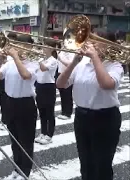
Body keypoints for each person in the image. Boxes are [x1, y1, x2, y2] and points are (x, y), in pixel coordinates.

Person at [56, 33, 124, 180]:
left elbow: (106, 84)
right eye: (91, 41)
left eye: (97, 42)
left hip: (106, 118)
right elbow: (60, 84)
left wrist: (94, 57)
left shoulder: (116, 66)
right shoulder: (81, 64)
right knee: (85, 163)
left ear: (110, 46)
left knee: (102, 165)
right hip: (82, 117)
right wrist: (74, 62)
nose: (91, 44)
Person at [0, 35, 39, 179]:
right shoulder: (10, 62)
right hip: (10, 103)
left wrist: (15, 57)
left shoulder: (34, 62)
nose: (17, 49)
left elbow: (25, 75)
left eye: (22, 46)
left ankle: (25, 172)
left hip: (26, 104)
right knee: (14, 139)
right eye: (16, 46)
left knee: (26, 141)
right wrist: (0, 62)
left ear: (30, 47)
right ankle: (17, 168)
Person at [35, 42, 58, 145]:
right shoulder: (43, 59)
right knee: (42, 111)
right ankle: (43, 132)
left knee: (49, 112)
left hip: (49, 87)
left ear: (52, 49)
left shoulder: (53, 61)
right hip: (39, 86)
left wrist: (38, 59)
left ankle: (49, 135)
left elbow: (44, 68)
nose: (44, 47)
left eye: (47, 46)